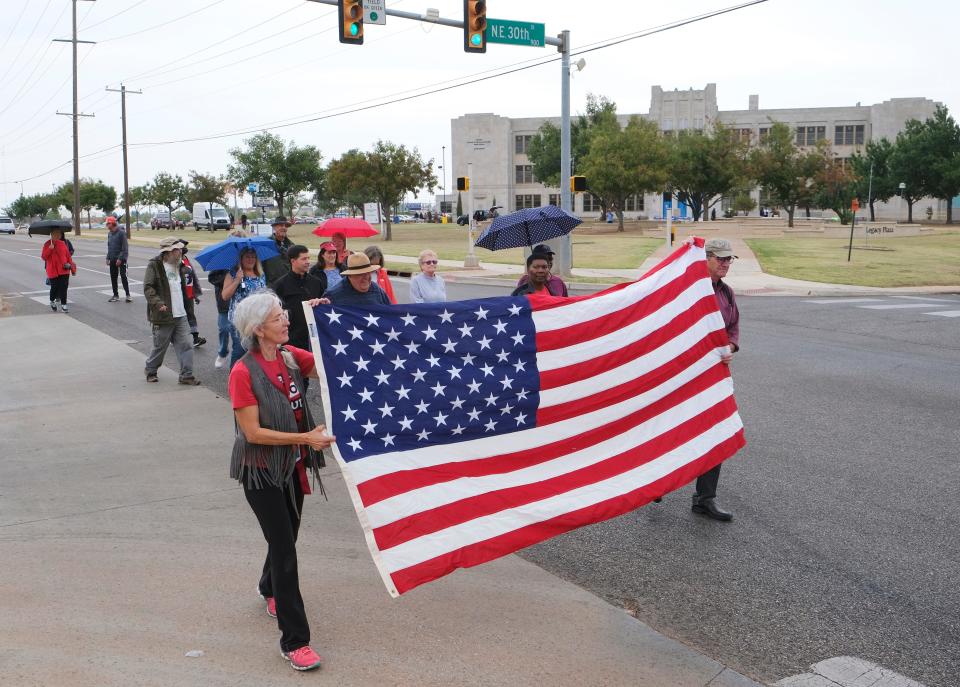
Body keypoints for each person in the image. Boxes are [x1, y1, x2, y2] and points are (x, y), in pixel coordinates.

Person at [228, 290, 334, 672]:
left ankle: (267, 587)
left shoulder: (290, 358)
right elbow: (253, 433)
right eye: (277, 318)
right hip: (260, 471)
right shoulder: (242, 372)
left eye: (285, 314)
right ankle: (295, 641)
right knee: (286, 550)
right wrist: (306, 438)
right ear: (258, 330)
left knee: (287, 534)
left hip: (292, 465)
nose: (286, 321)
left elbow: (326, 365)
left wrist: (327, 319)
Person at [692, 238, 740, 522]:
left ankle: (705, 498)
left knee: (715, 432)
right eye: (720, 258)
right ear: (706, 259)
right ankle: (656, 484)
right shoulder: (690, 292)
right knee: (675, 431)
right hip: (685, 376)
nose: (725, 263)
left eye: (729, 259)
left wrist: (730, 347)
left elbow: (733, 327)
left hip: (714, 375)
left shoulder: (727, 293)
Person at [142, 237, 200, 385]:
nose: (180, 252)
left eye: (180, 249)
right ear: (168, 252)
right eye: (177, 250)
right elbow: (148, 288)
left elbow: (186, 286)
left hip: (181, 314)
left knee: (186, 344)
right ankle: (151, 370)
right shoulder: (155, 265)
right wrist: (158, 303)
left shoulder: (180, 265)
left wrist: (193, 295)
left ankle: (186, 375)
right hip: (164, 315)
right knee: (160, 347)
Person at [273, 245, 327, 350]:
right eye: (303, 259)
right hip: (292, 339)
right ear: (293, 261)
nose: (308, 261)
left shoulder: (316, 283)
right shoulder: (280, 285)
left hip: (315, 338)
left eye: (308, 258)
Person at [222, 247, 267, 368]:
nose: (251, 259)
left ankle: (251, 380)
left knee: (256, 351)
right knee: (240, 351)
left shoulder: (261, 275)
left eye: (253, 257)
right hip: (238, 321)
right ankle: (234, 380)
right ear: (241, 259)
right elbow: (225, 296)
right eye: (247, 256)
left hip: (257, 320)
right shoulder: (233, 273)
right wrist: (237, 280)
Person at [321, 253, 392, 307]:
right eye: (360, 274)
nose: (366, 277)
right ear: (350, 276)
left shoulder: (377, 290)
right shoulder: (333, 295)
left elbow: (390, 312)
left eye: (368, 272)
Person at [177, 240, 206, 348]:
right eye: (183, 246)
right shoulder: (174, 261)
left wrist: (195, 294)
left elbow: (192, 277)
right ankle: (174, 336)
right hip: (178, 293)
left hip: (188, 293)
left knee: (190, 315)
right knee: (179, 316)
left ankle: (195, 337)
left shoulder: (186, 259)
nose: (185, 248)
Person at [41, 228, 76, 313]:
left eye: (59, 234)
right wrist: (50, 249)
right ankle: (52, 301)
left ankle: (64, 305)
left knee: (64, 287)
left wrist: (72, 268)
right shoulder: (47, 244)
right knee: (55, 288)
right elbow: (43, 257)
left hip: (64, 269)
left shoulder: (63, 244)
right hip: (53, 270)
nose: (58, 235)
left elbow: (68, 257)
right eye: (56, 233)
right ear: (51, 234)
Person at [105, 216, 131, 303]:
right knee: (113, 277)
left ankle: (128, 295)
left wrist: (120, 258)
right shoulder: (109, 234)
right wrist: (108, 257)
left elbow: (125, 248)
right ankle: (115, 295)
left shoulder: (121, 233)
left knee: (123, 276)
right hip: (112, 258)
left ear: (112, 223)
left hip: (121, 259)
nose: (107, 225)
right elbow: (109, 247)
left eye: (108, 223)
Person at [262, 217, 293, 287]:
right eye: (281, 225)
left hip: (288, 285)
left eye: (286, 226)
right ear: (274, 228)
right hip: (272, 286)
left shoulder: (291, 246)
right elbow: (260, 267)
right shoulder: (266, 244)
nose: (284, 228)